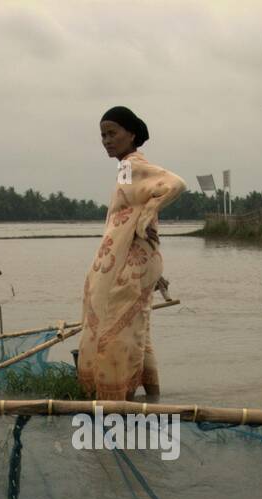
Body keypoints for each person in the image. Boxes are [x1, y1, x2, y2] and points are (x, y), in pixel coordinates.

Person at [77, 106, 185, 400]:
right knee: (139, 331)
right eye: (102, 135)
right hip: (135, 260)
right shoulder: (126, 168)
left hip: (128, 264)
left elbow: (176, 183)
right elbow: (126, 215)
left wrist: (150, 212)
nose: (106, 140)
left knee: (114, 331)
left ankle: (113, 401)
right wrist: (142, 217)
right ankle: (153, 400)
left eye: (112, 133)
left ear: (131, 134)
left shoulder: (132, 165)